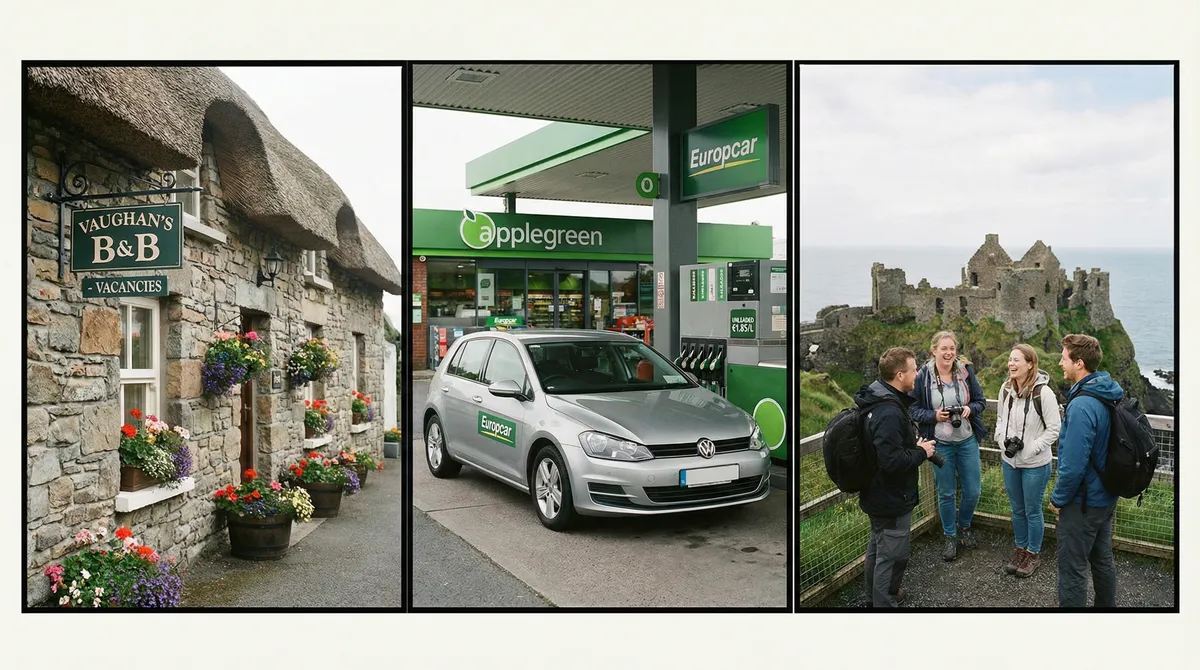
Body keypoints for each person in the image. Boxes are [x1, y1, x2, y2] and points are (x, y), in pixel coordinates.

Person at [856, 347, 937, 607]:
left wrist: (911, 446)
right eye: (914, 370)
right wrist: (921, 452)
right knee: (891, 557)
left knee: (878, 548)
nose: (917, 374)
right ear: (900, 375)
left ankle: (874, 598)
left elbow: (886, 450)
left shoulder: (877, 398)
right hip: (891, 496)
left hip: (876, 492)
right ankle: (884, 604)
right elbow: (892, 462)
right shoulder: (889, 412)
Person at [1049, 334, 1121, 607]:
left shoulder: (1081, 405)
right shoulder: (1106, 391)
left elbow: (1072, 466)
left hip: (1083, 502)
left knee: (1072, 569)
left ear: (1079, 363)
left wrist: (1058, 500)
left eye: (1064, 358)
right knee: (1102, 560)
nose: (1060, 363)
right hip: (1105, 495)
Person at [909, 330, 987, 561]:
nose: (949, 353)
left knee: (973, 490)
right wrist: (934, 416)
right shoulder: (923, 376)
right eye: (944, 348)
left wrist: (970, 409)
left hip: (966, 440)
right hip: (940, 443)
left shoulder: (965, 371)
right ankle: (950, 536)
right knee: (946, 492)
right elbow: (912, 409)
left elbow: (980, 401)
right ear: (933, 350)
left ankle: (964, 526)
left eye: (952, 348)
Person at [994, 344, 1060, 578]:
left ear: (1030, 364)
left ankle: (1033, 553)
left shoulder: (1044, 394)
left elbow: (1054, 429)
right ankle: (1020, 549)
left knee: (1032, 510)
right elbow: (1000, 419)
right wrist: (1001, 440)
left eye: (1017, 360)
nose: (1011, 364)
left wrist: (1032, 448)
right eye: (1010, 359)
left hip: (1035, 464)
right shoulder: (1005, 389)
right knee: (1017, 509)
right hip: (1010, 461)